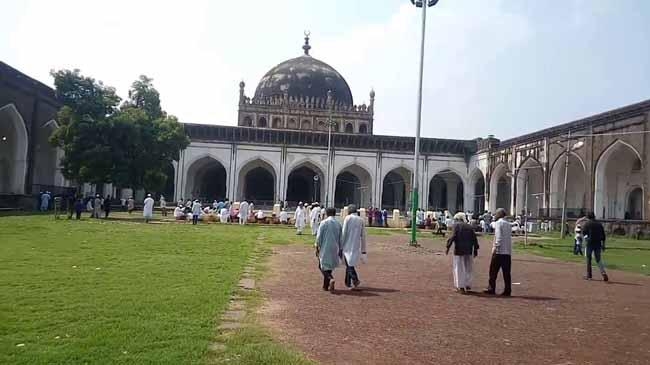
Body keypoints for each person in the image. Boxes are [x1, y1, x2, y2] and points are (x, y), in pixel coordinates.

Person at [446, 213, 479, 294]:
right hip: (469, 249)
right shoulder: (469, 226)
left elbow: (453, 236)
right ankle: (467, 284)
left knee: (459, 268)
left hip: (459, 250)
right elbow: (474, 238)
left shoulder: (456, 226)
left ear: (457, 219)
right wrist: (476, 249)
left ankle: (460, 286)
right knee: (468, 268)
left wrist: (448, 246)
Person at [484, 208, 512, 296]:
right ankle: (508, 290)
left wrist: (495, 248)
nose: (495, 215)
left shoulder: (499, 223)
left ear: (499, 214)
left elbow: (498, 237)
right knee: (506, 273)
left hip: (499, 252)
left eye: (496, 214)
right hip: (507, 252)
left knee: (493, 271)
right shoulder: (508, 224)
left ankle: (491, 288)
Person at [315, 207, 342, 293]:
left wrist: (317, 246)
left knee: (322, 266)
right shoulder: (338, 224)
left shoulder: (324, 222)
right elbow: (341, 238)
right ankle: (325, 286)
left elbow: (319, 236)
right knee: (329, 266)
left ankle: (330, 279)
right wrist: (340, 249)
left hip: (325, 246)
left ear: (327, 213)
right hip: (335, 247)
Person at [341, 204, 367, 290]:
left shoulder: (347, 218)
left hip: (347, 244)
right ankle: (347, 283)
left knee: (349, 264)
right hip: (356, 244)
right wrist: (363, 249)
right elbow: (363, 236)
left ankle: (355, 279)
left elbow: (344, 233)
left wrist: (341, 244)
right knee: (350, 263)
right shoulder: (361, 220)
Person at [581, 212, 609, 281]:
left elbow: (584, 233)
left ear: (588, 217)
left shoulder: (587, 224)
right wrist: (603, 245)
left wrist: (586, 239)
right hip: (598, 243)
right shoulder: (599, 224)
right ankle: (603, 272)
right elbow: (603, 236)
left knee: (588, 259)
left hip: (590, 243)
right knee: (598, 259)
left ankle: (589, 275)